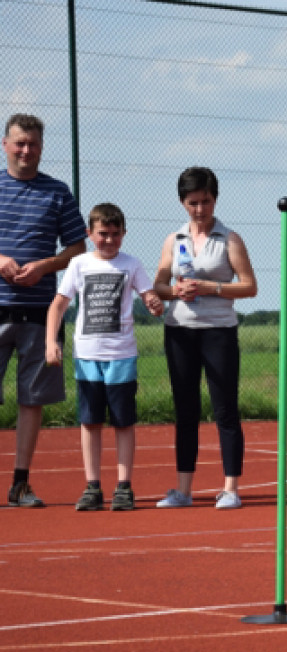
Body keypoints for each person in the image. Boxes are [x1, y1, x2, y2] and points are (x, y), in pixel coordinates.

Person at [45, 203, 164, 511]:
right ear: (89, 233)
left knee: (123, 422)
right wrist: (51, 341)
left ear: (124, 233)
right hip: (86, 355)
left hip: (121, 356)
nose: (109, 241)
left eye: (115, 234)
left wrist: (152, 301)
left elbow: (148, 294)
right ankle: (92, 486)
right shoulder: (79, 264)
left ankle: (124, 486)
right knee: (90, 422)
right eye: (102, 234)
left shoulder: (132, 264)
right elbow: (58, 305)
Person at [152, 167, 257, 509]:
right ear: (182, 202)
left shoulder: (230, 239)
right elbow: (159, 285)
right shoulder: (174, 240)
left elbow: (249, 286)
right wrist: (172, 291)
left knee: (224, 409)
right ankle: (183, 490)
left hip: (219, 333)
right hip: (179, 332)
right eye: (193, 202)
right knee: (186, 410)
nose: (200, 209)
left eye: (206, 201)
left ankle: (231, 488)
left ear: (215, 199)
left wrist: (212, 288)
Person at [0, 113, 88, 507]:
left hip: (39, 312)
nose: (26, 150)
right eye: (19, 142)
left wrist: (44, 266)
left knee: (31, 399)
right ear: (5, 144)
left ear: (41, 147)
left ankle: (20, 483)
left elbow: (77, 248)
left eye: (33, 143)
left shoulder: (57, 193)